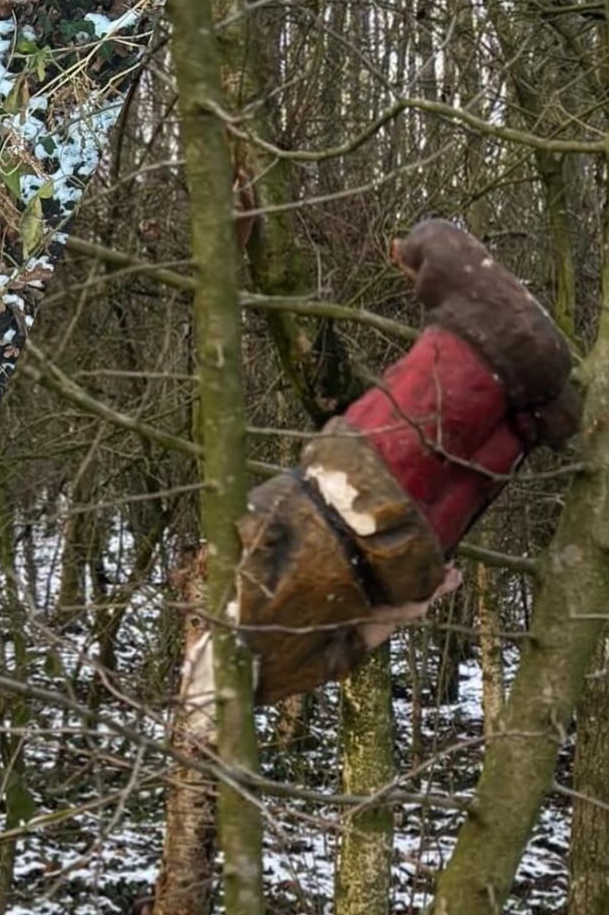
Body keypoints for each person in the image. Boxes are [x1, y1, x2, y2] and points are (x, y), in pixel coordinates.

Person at [234, 219, 583, 703]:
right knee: (419, 414)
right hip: (348, 492)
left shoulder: (270, 681)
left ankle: (528, 418)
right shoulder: (229, 593)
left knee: (466, 481)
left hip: (405, 562)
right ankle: (490, 334)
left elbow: (354, 645)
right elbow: (261, 528)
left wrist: (417, 600)